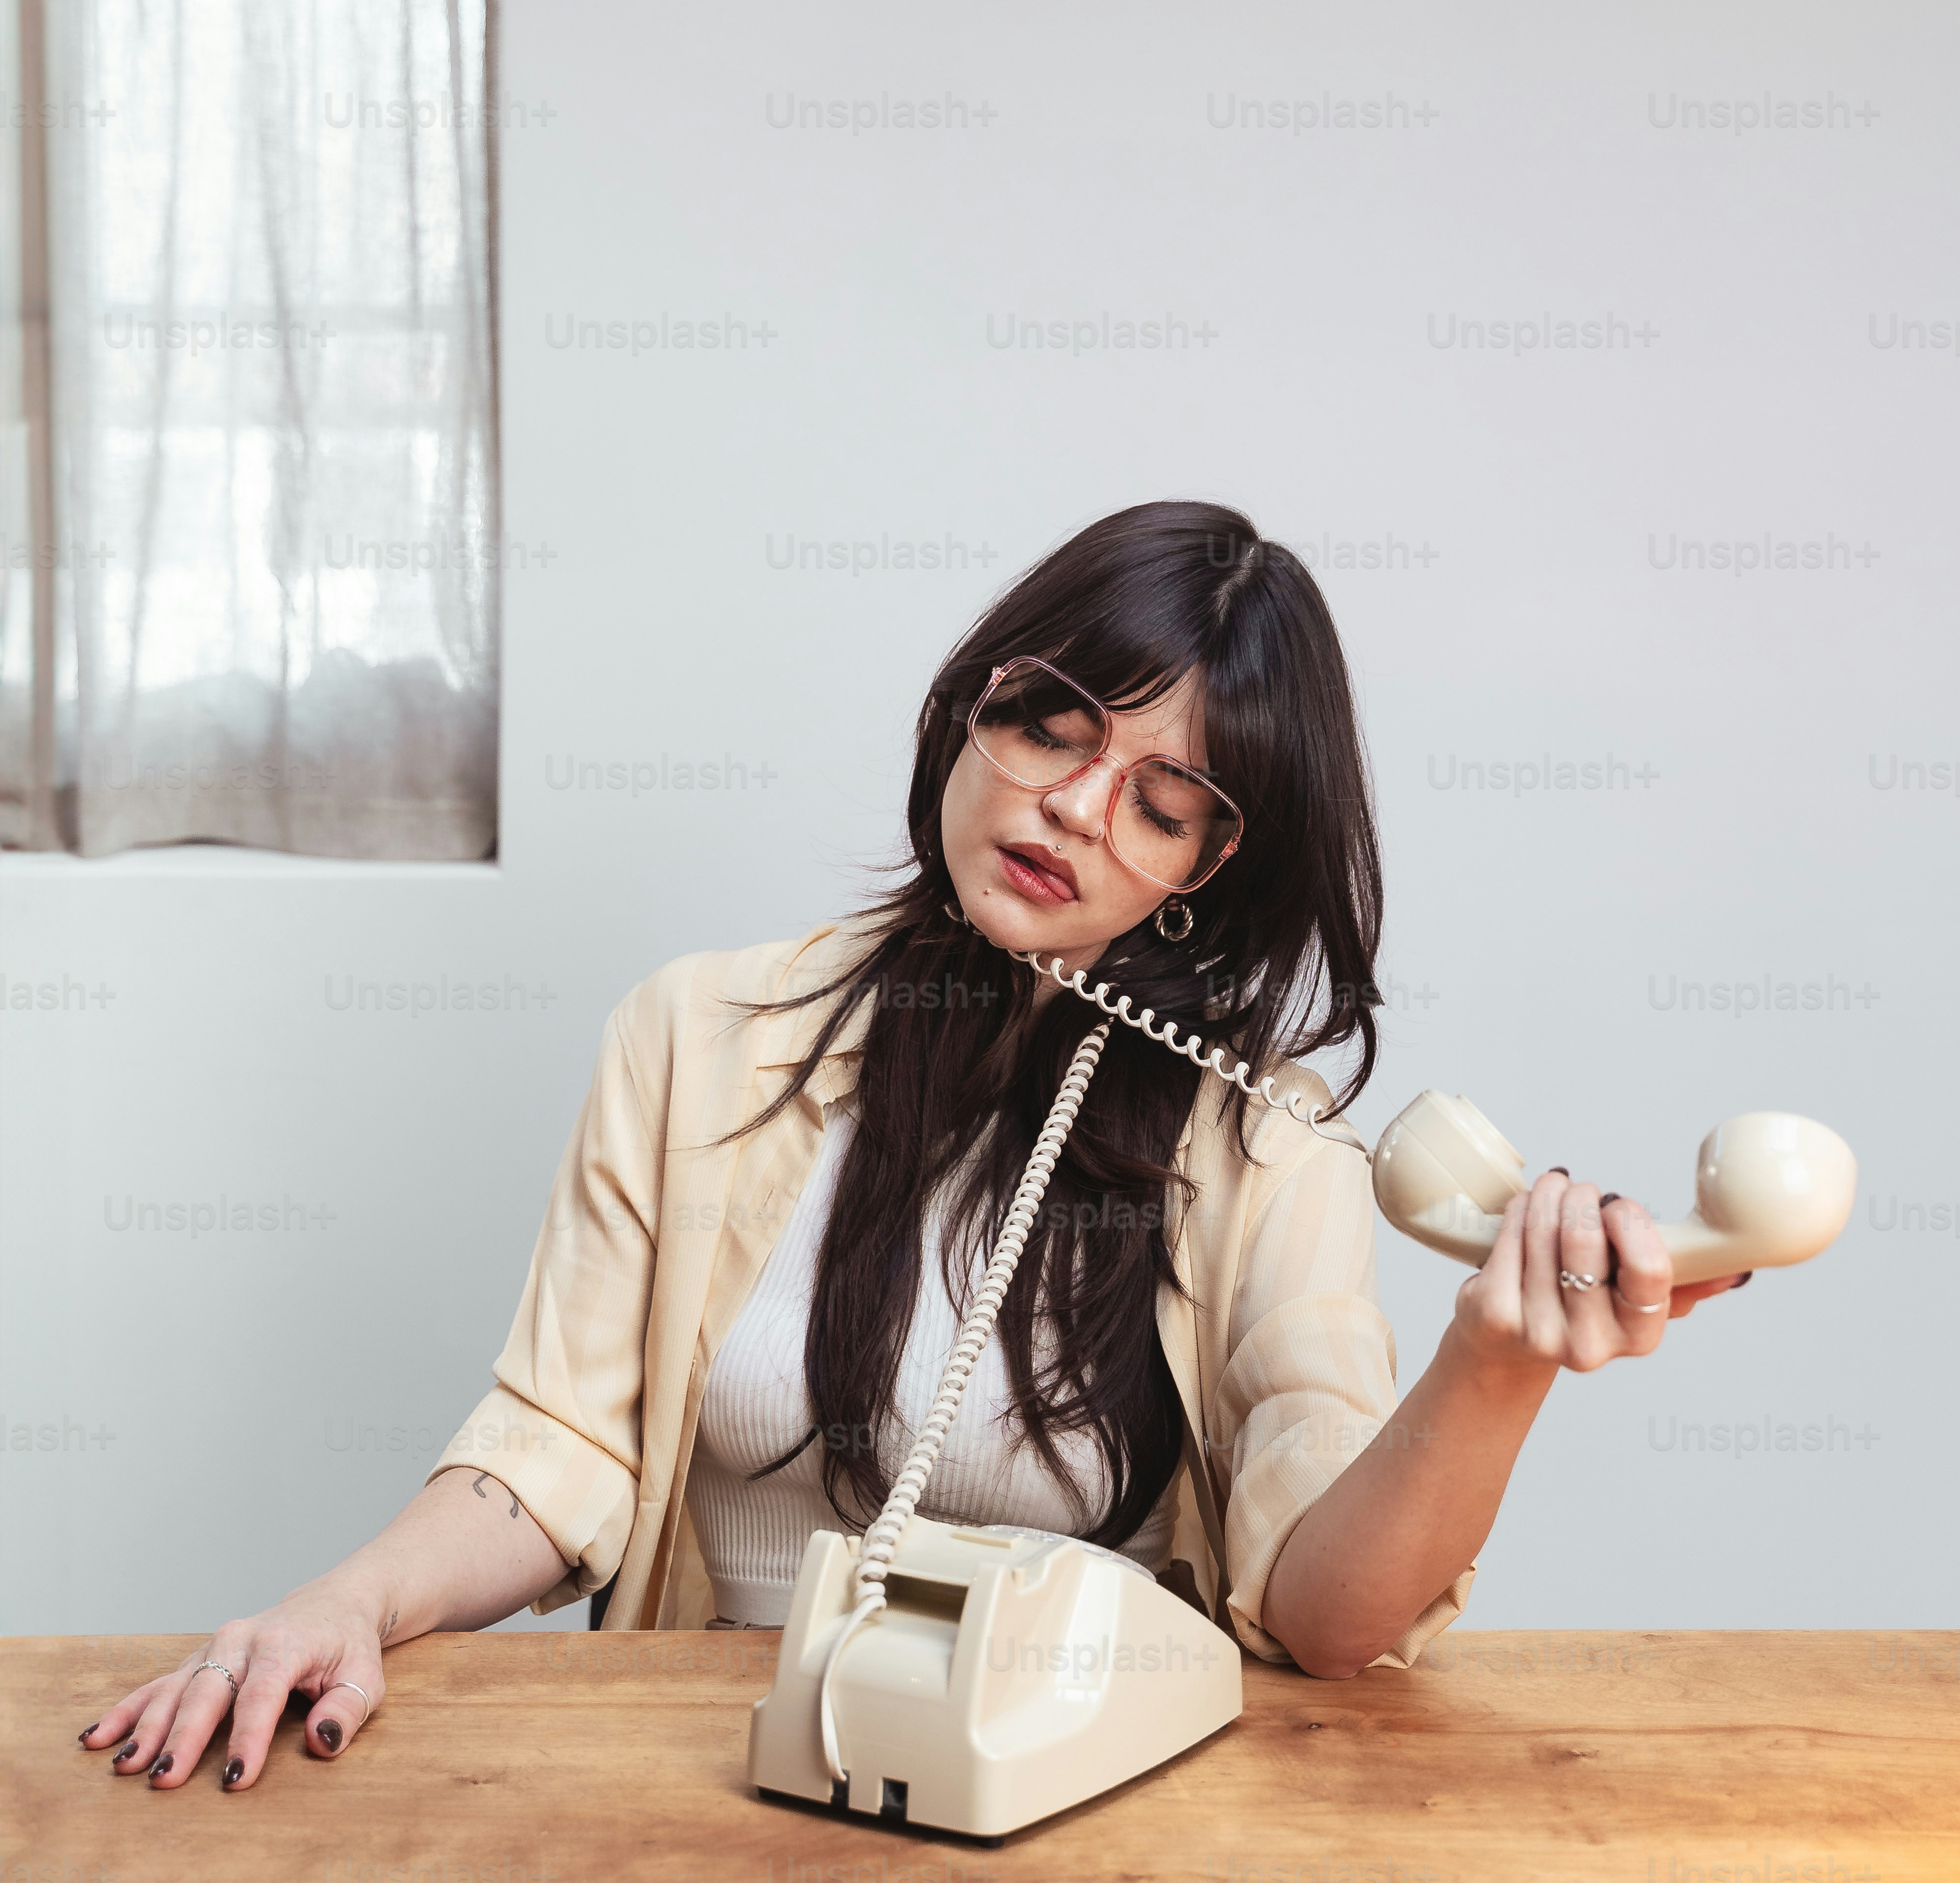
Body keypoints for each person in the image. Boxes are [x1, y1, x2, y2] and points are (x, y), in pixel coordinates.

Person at [80, 501, 1742, 1792]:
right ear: (973, 709)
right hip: (703, 1773)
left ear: (1204, 878)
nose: (1080, 810)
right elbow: (557, 1443)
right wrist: (347, 1601)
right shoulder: (698, 1032)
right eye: (1058, 726)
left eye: (1165, 806)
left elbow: (1328, 1613)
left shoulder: (1265, 1146)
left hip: (1070, 1798)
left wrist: (1494, 1368)